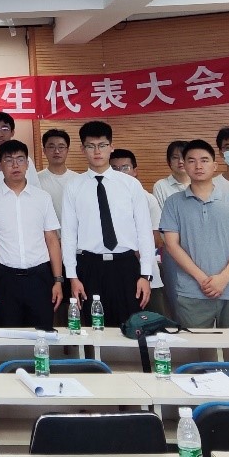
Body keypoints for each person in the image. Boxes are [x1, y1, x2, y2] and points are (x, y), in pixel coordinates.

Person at [61, 121, 153, 326]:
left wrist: (146, 274)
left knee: (131, 327)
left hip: (126, 266)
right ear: (82, 149)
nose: (97, 151)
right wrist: (72, 277)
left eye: (102, 145)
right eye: (90, 146)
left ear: (111, 147)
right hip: (89, 267)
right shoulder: (73, 186)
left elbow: (144, 231)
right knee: (94, 327)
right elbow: (69, 234)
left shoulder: (131, 184)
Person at [159, 139, 229, 328]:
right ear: (184, 165)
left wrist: (224, 278)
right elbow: (171, 244)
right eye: (191, 160)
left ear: (214, 165)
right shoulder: (173, 203)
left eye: (204, 160)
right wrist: (203, 280)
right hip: (192, 291)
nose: (198, 166)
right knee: (196, 344)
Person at [0, 141, 62, 328]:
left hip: (39, 278)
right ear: (0, 166)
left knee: (42, 334)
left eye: (20, 159)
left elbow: (52, 240)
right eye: (8, 160)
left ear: (27, 164)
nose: (15, 165)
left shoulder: (43, 198)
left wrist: (58, 280)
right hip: (4, 279)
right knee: (5, 336)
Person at [109, 149, 166, 317]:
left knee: (154, 322)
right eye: (114, 168)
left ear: (135, 171)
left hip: (147, 273)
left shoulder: (148, 199)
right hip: (116, 273)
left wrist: (130, 247)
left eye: (125, 168)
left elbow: (157, 240)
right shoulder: (101, 199)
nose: (120, 173)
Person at [37, 128, 79, 222]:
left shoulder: (78, 180)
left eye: (61, 147)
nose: (56, 151)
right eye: (51, 147)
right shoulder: (36, 180)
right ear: (44, 151)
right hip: (46, 231)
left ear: (67, 150)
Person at [152, 140, 190, 208]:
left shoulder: (199, 183)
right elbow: (159, 213)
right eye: (175, 157)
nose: (180, 161)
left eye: (184, 157)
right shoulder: (161, 186)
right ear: (169, 161)